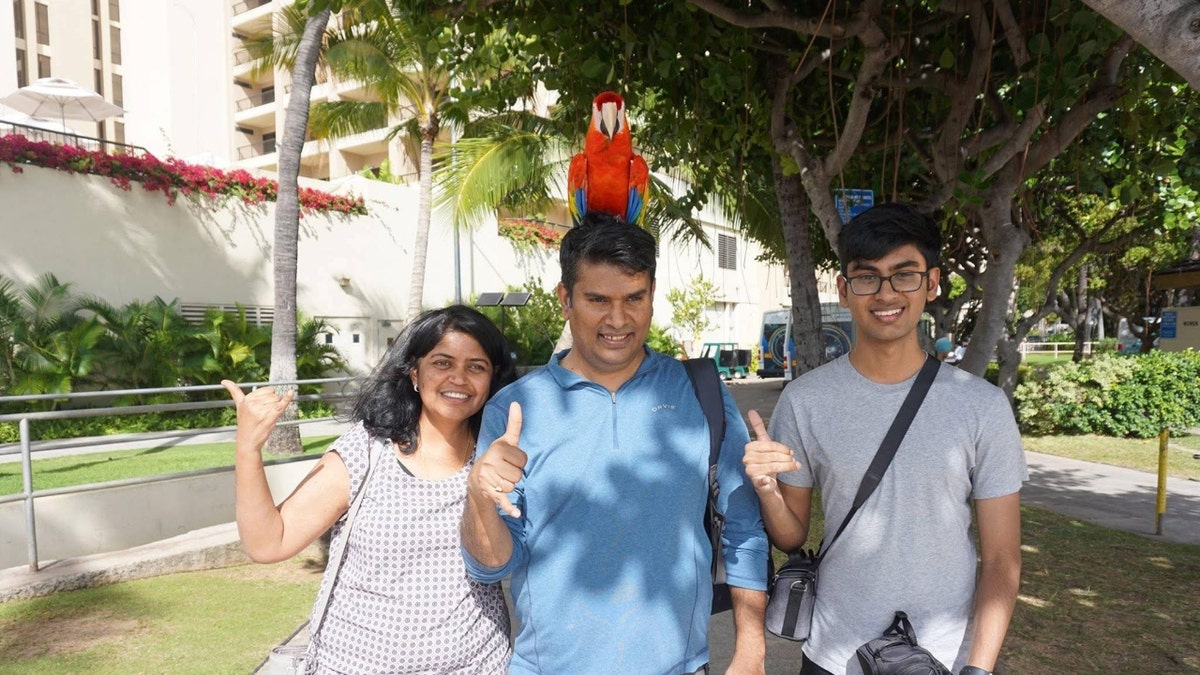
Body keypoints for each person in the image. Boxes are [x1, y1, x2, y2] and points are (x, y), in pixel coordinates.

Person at [460, 211, 771, 675]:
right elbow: (491, 567)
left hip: (681, 667)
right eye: (598, 299)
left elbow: (744, 527)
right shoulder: (516, 409)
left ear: (651, 296)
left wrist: (751, 649)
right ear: (565, 298)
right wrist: (479, 497)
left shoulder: (701, 390)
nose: (618, 319)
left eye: (634, 298)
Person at [743, 203, 1026, 675]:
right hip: (832, 653)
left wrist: (978, 669)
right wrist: (767, 489)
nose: (886, 293)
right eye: (867, 277)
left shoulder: (981, 405)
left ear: (931, 283)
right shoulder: (806, 400)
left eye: (904, 274)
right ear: (844, 289)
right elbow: (791, 534)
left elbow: (1002, 558)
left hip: (943, 657)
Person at [223, 305, 516, 674]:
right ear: (414, 372)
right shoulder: (367, 451)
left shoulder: (498, 458)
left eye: (476, 367)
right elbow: (270, 541)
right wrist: (248, 448)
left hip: (478, 666)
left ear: (492, 379)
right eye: (442, 363)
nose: (459, 378)